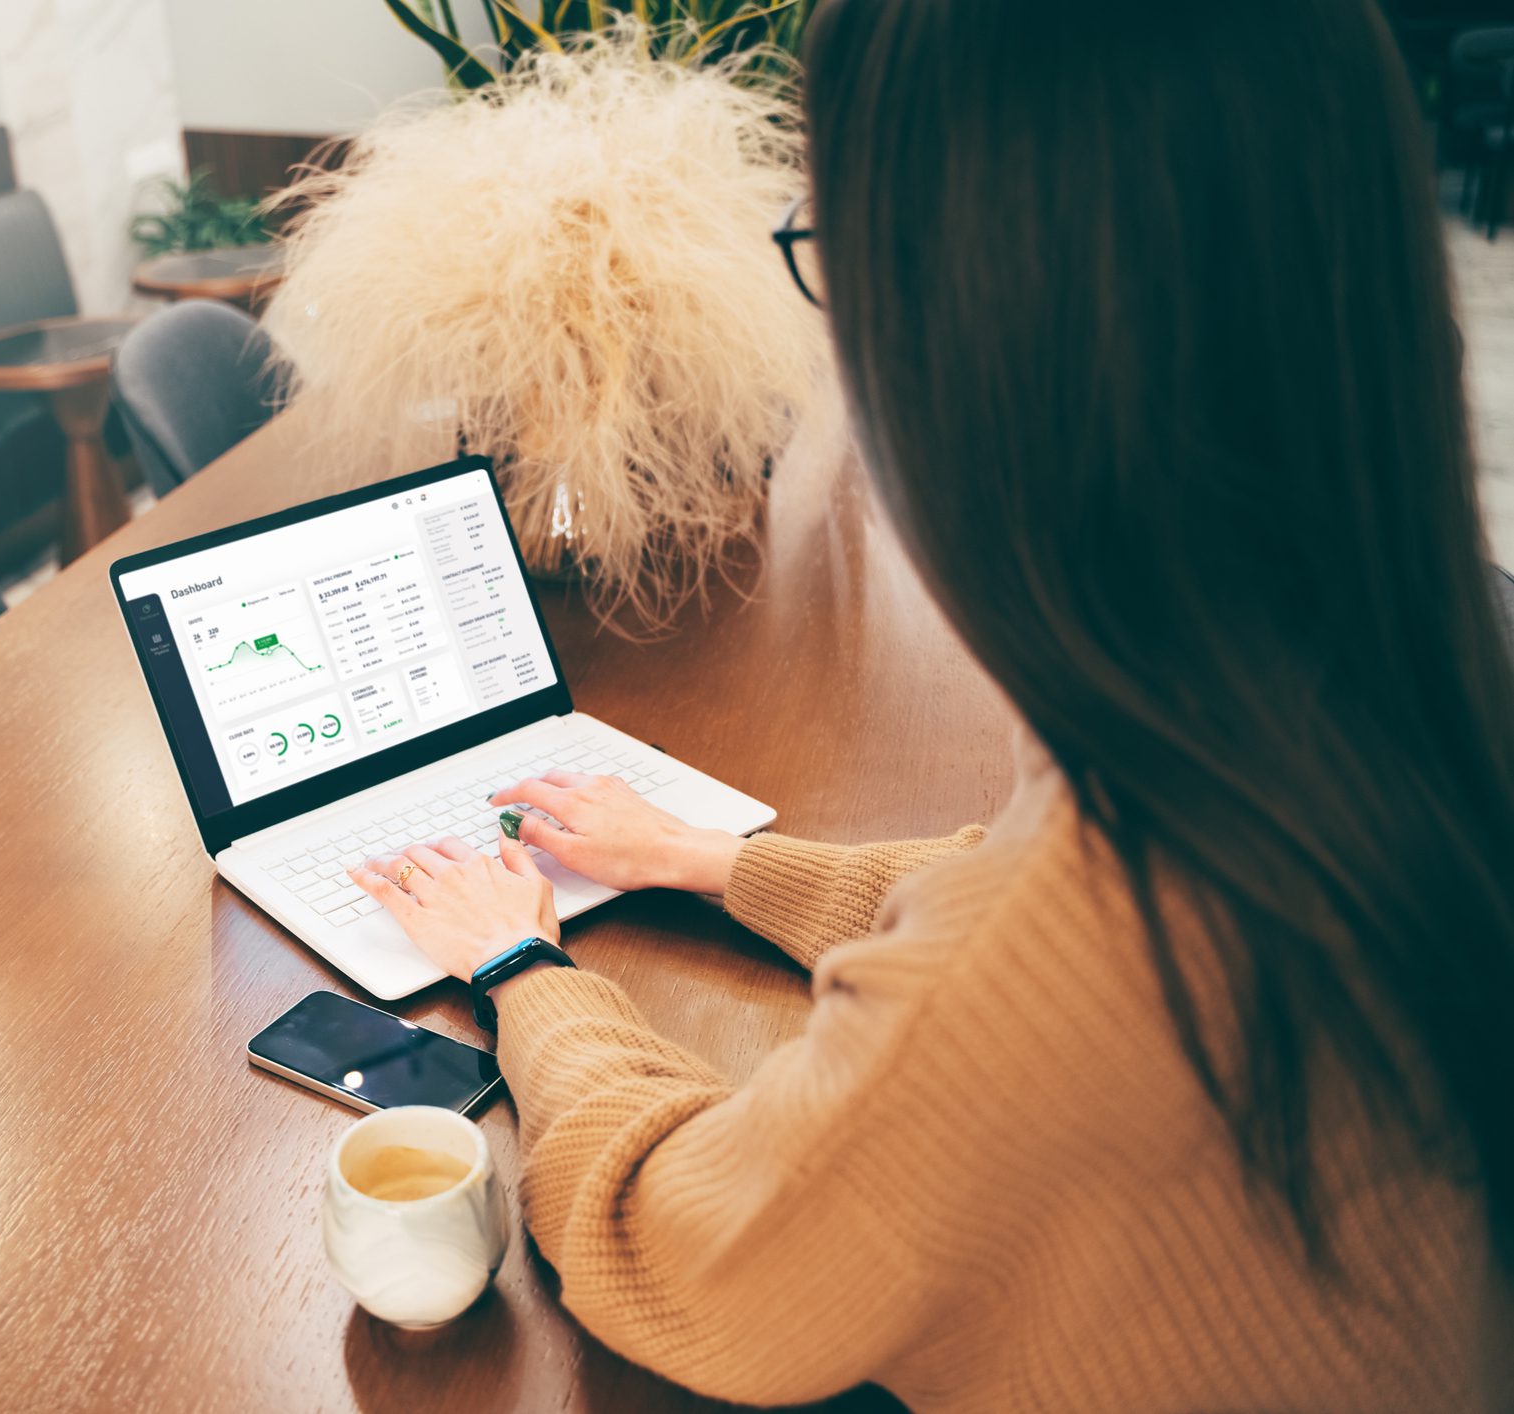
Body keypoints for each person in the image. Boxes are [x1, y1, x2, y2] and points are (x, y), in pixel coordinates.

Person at [350, 1, 1513, 1407]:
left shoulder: (1079, 951)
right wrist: (713, 861)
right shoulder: (1414, 671)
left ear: (979, 342)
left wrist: (521, 966)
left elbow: (681, 1253)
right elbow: (1011, 903)